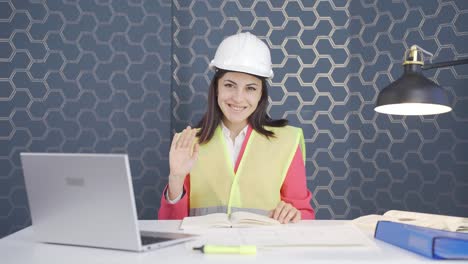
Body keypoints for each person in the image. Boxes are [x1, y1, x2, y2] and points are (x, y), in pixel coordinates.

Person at [158, 32, 315, 223]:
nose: (238, 98)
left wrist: (294, 214)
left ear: (260, 95)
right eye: (230, 85)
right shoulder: (189, 143)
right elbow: (170, 226)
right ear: (216, 88)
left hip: (265, 252)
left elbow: (305, 218)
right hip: (204, 251)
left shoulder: (287, 141)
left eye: (250, 88)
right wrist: (176, 177)